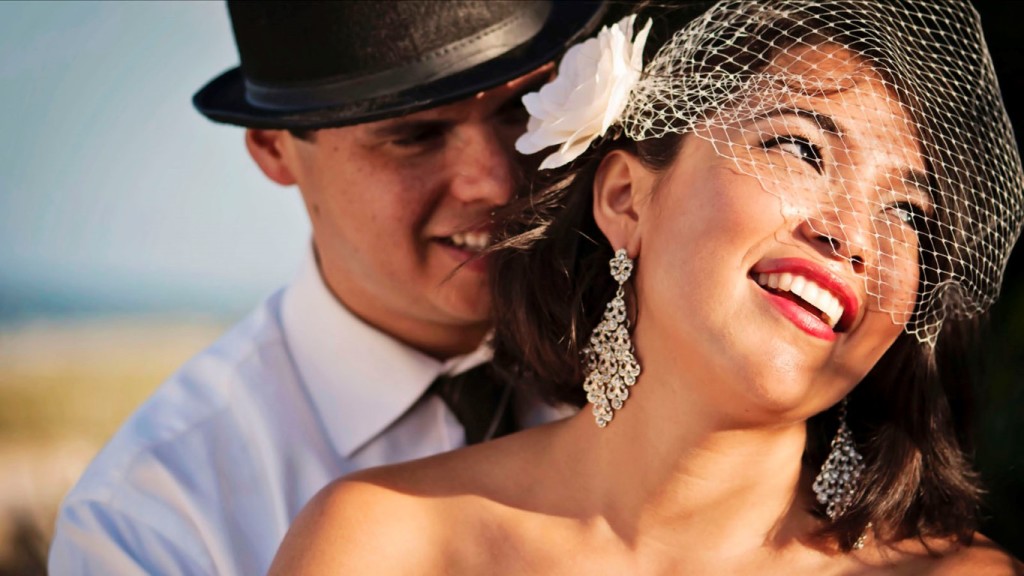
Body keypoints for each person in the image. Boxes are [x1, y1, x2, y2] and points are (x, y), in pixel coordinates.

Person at [269, 0, 1024, 573]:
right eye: (799, 148)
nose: (852, 236)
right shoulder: (379, 541)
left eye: (907, 213)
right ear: (626, 198)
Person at [48, 2, 606, 574]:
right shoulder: (153, 519)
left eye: (522, 106)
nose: (494, 181)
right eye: (416, 136)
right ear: (274, 147)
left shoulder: (649, 361)